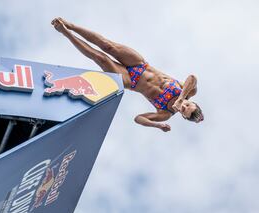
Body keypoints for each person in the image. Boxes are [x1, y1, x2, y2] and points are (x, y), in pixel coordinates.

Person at [51, 17, 204, 132]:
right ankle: (71, 25)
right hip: (140, 65)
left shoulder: (166, 113)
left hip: (130, 81)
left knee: (99, 57)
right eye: (188, 105)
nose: (184, 106)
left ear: (183, 116)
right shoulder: (189, 91)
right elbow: (193, 77)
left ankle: (66, 33)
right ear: (192, 102)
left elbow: (138, 118)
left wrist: (157, 125)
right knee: (107, 46)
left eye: (184, 110)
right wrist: (182, 98)